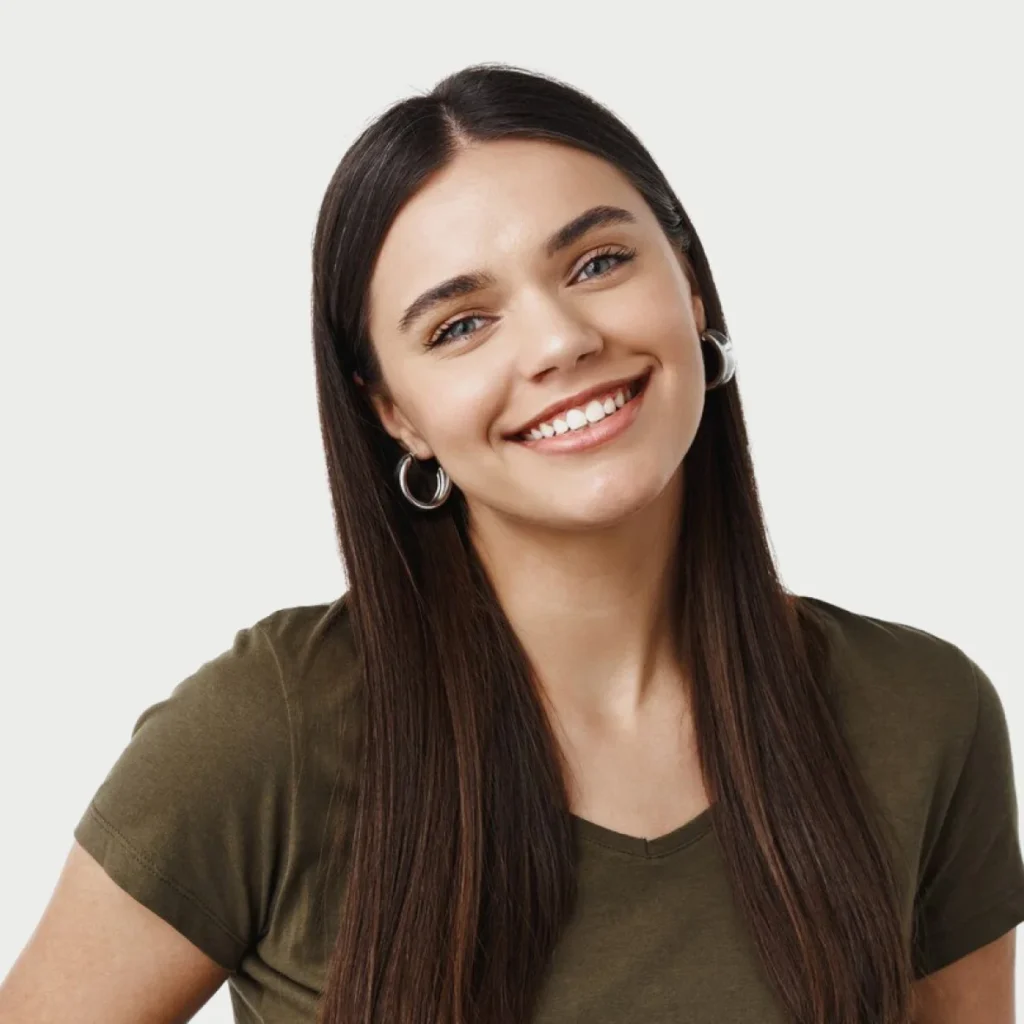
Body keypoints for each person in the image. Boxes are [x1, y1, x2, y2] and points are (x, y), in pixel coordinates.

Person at [2, 62, 1022, 1024]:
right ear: (395, 413)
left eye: (598, 262)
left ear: (691, 288)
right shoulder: (266, 735)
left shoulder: (923, 715)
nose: (560, 340)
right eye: (459, 325)